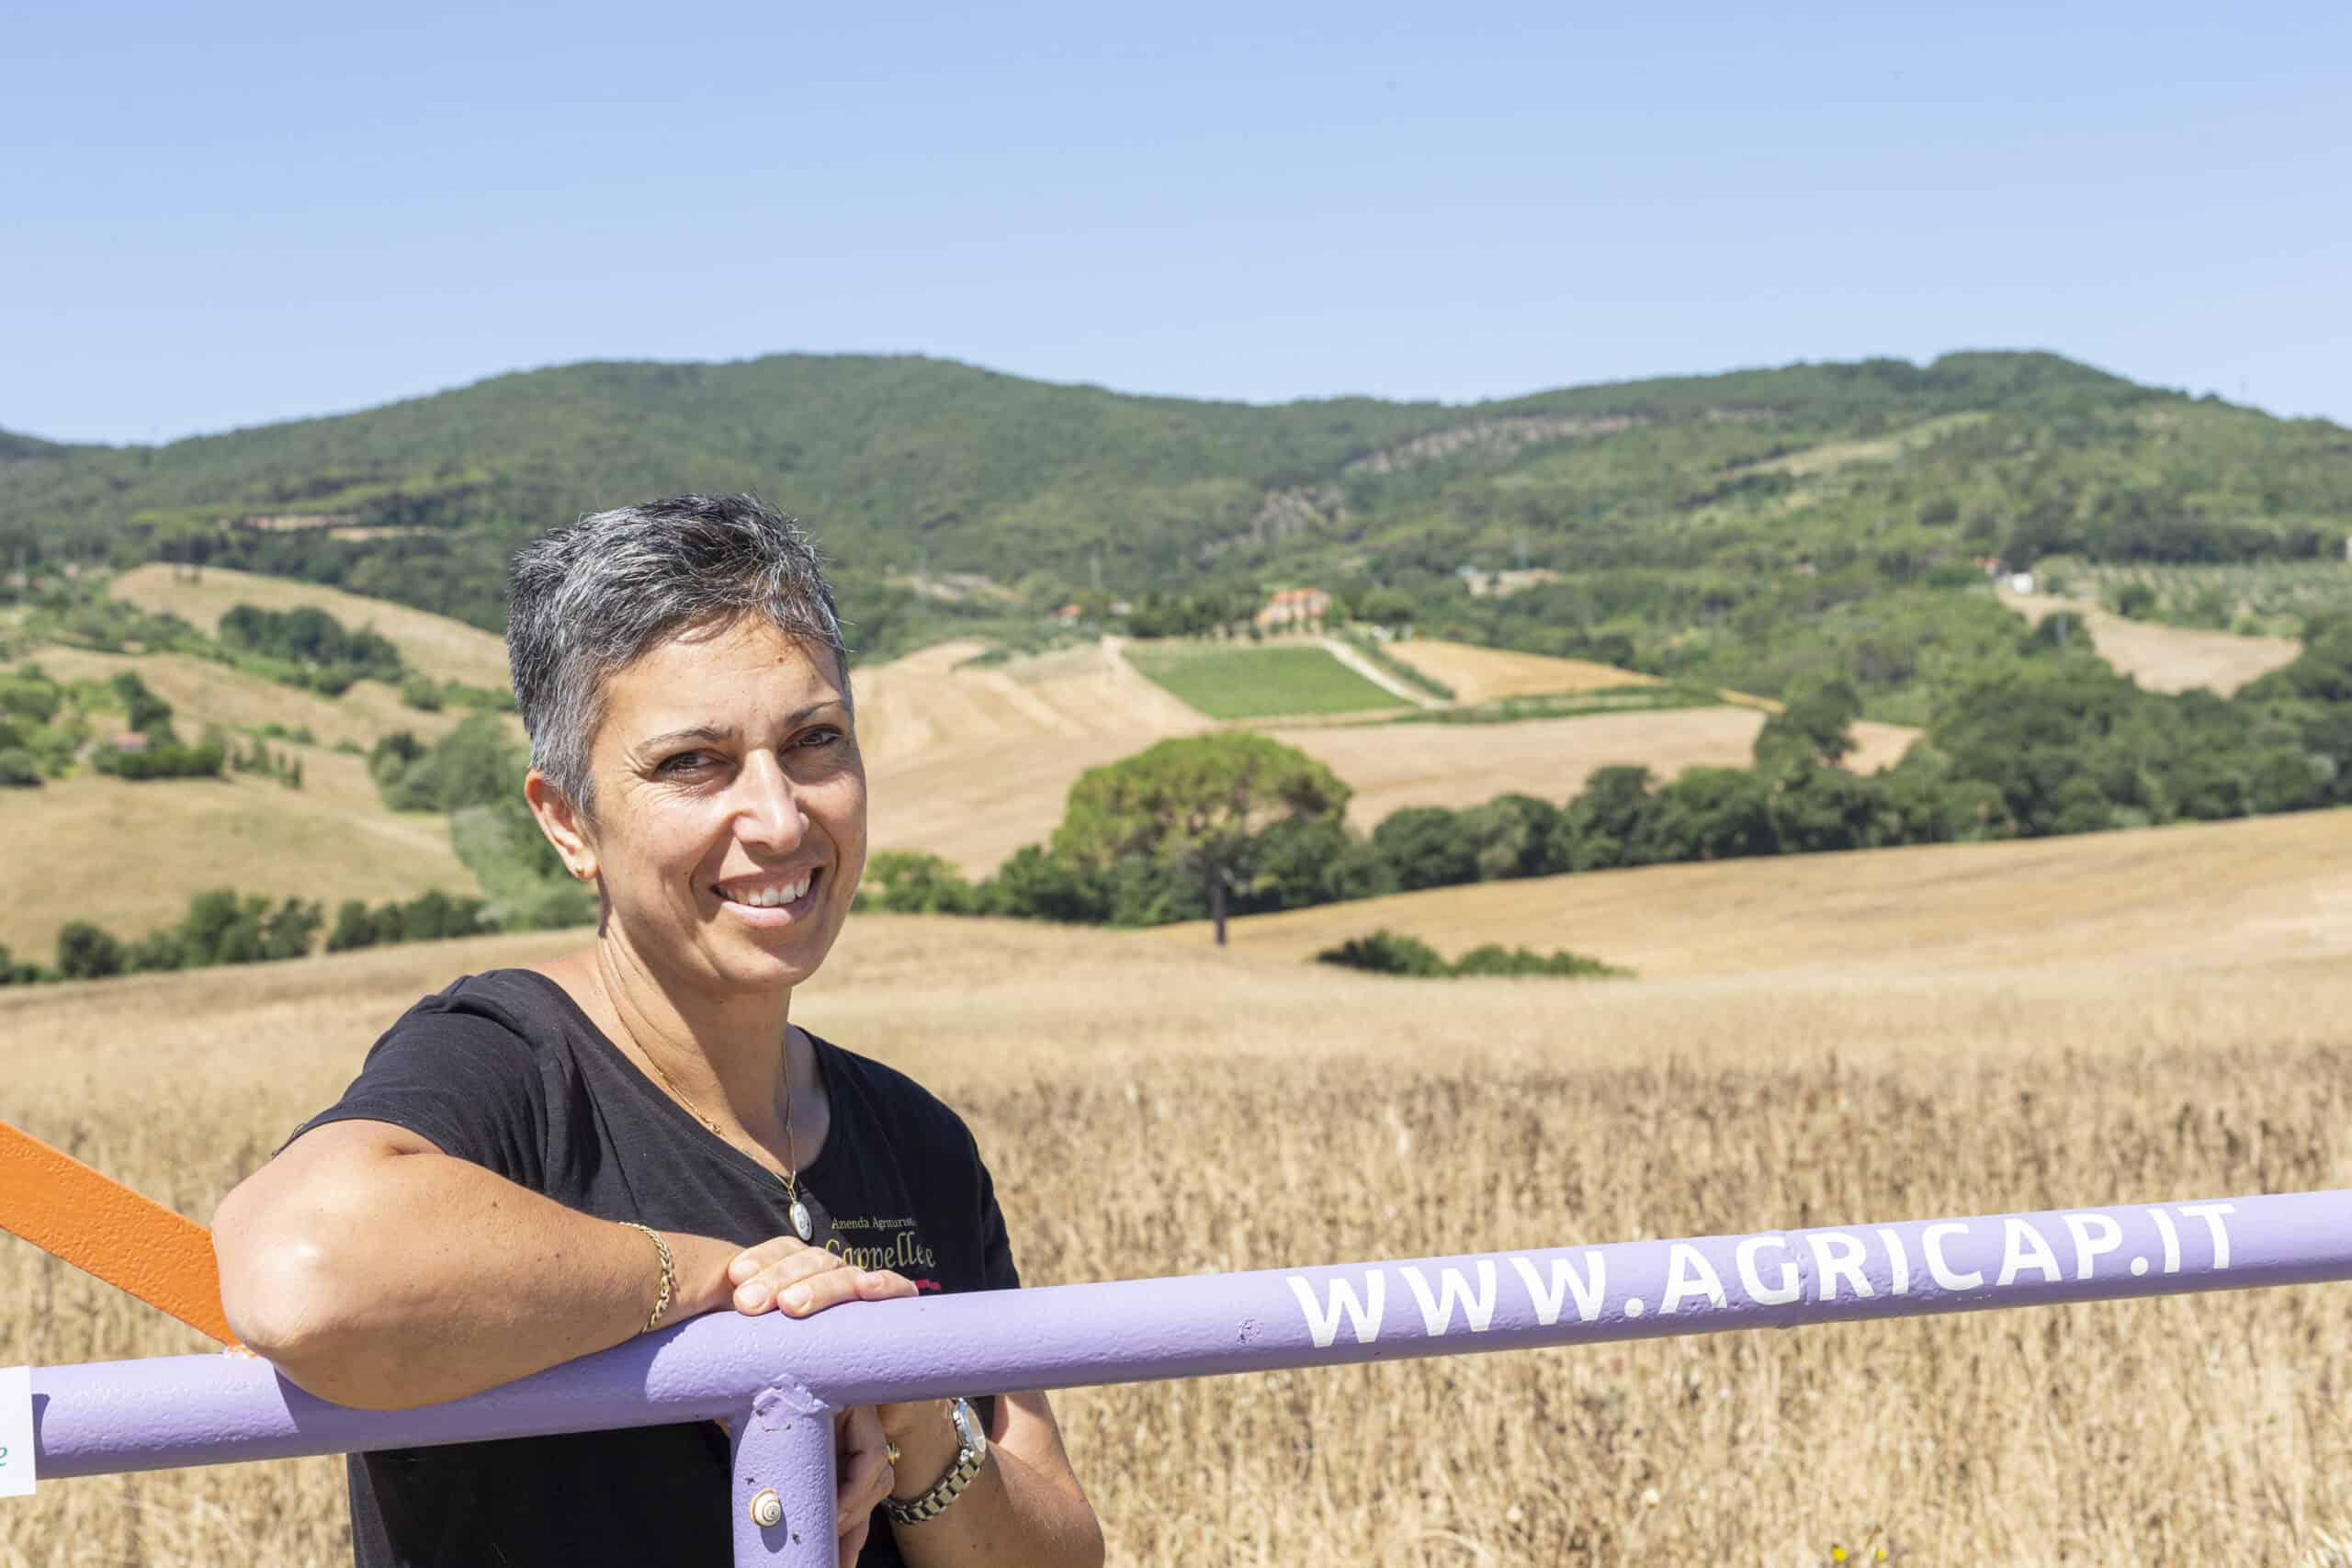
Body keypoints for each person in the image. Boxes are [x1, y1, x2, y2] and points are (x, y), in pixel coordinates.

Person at [211, 495, 1104, 1568]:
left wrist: (911, 1414)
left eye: (815, 742)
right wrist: (722, 1289)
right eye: (694, 763)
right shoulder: (506, 1061)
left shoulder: (915, 1139)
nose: (779, 818)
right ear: (568, 822)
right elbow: (306, 1269)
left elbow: (1057, 1548)